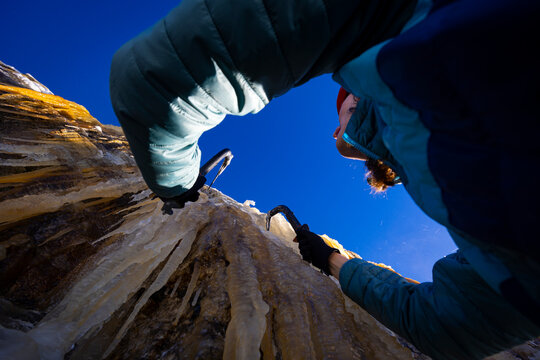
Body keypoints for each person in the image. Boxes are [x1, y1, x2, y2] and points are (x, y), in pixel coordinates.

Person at [109, 0, 540, 358]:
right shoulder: (501, 255)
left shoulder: (398, 30)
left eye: (345, 92)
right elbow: (448, 326)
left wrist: (178, 186)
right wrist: (328, 258)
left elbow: (154, 80)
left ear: (355, 103)